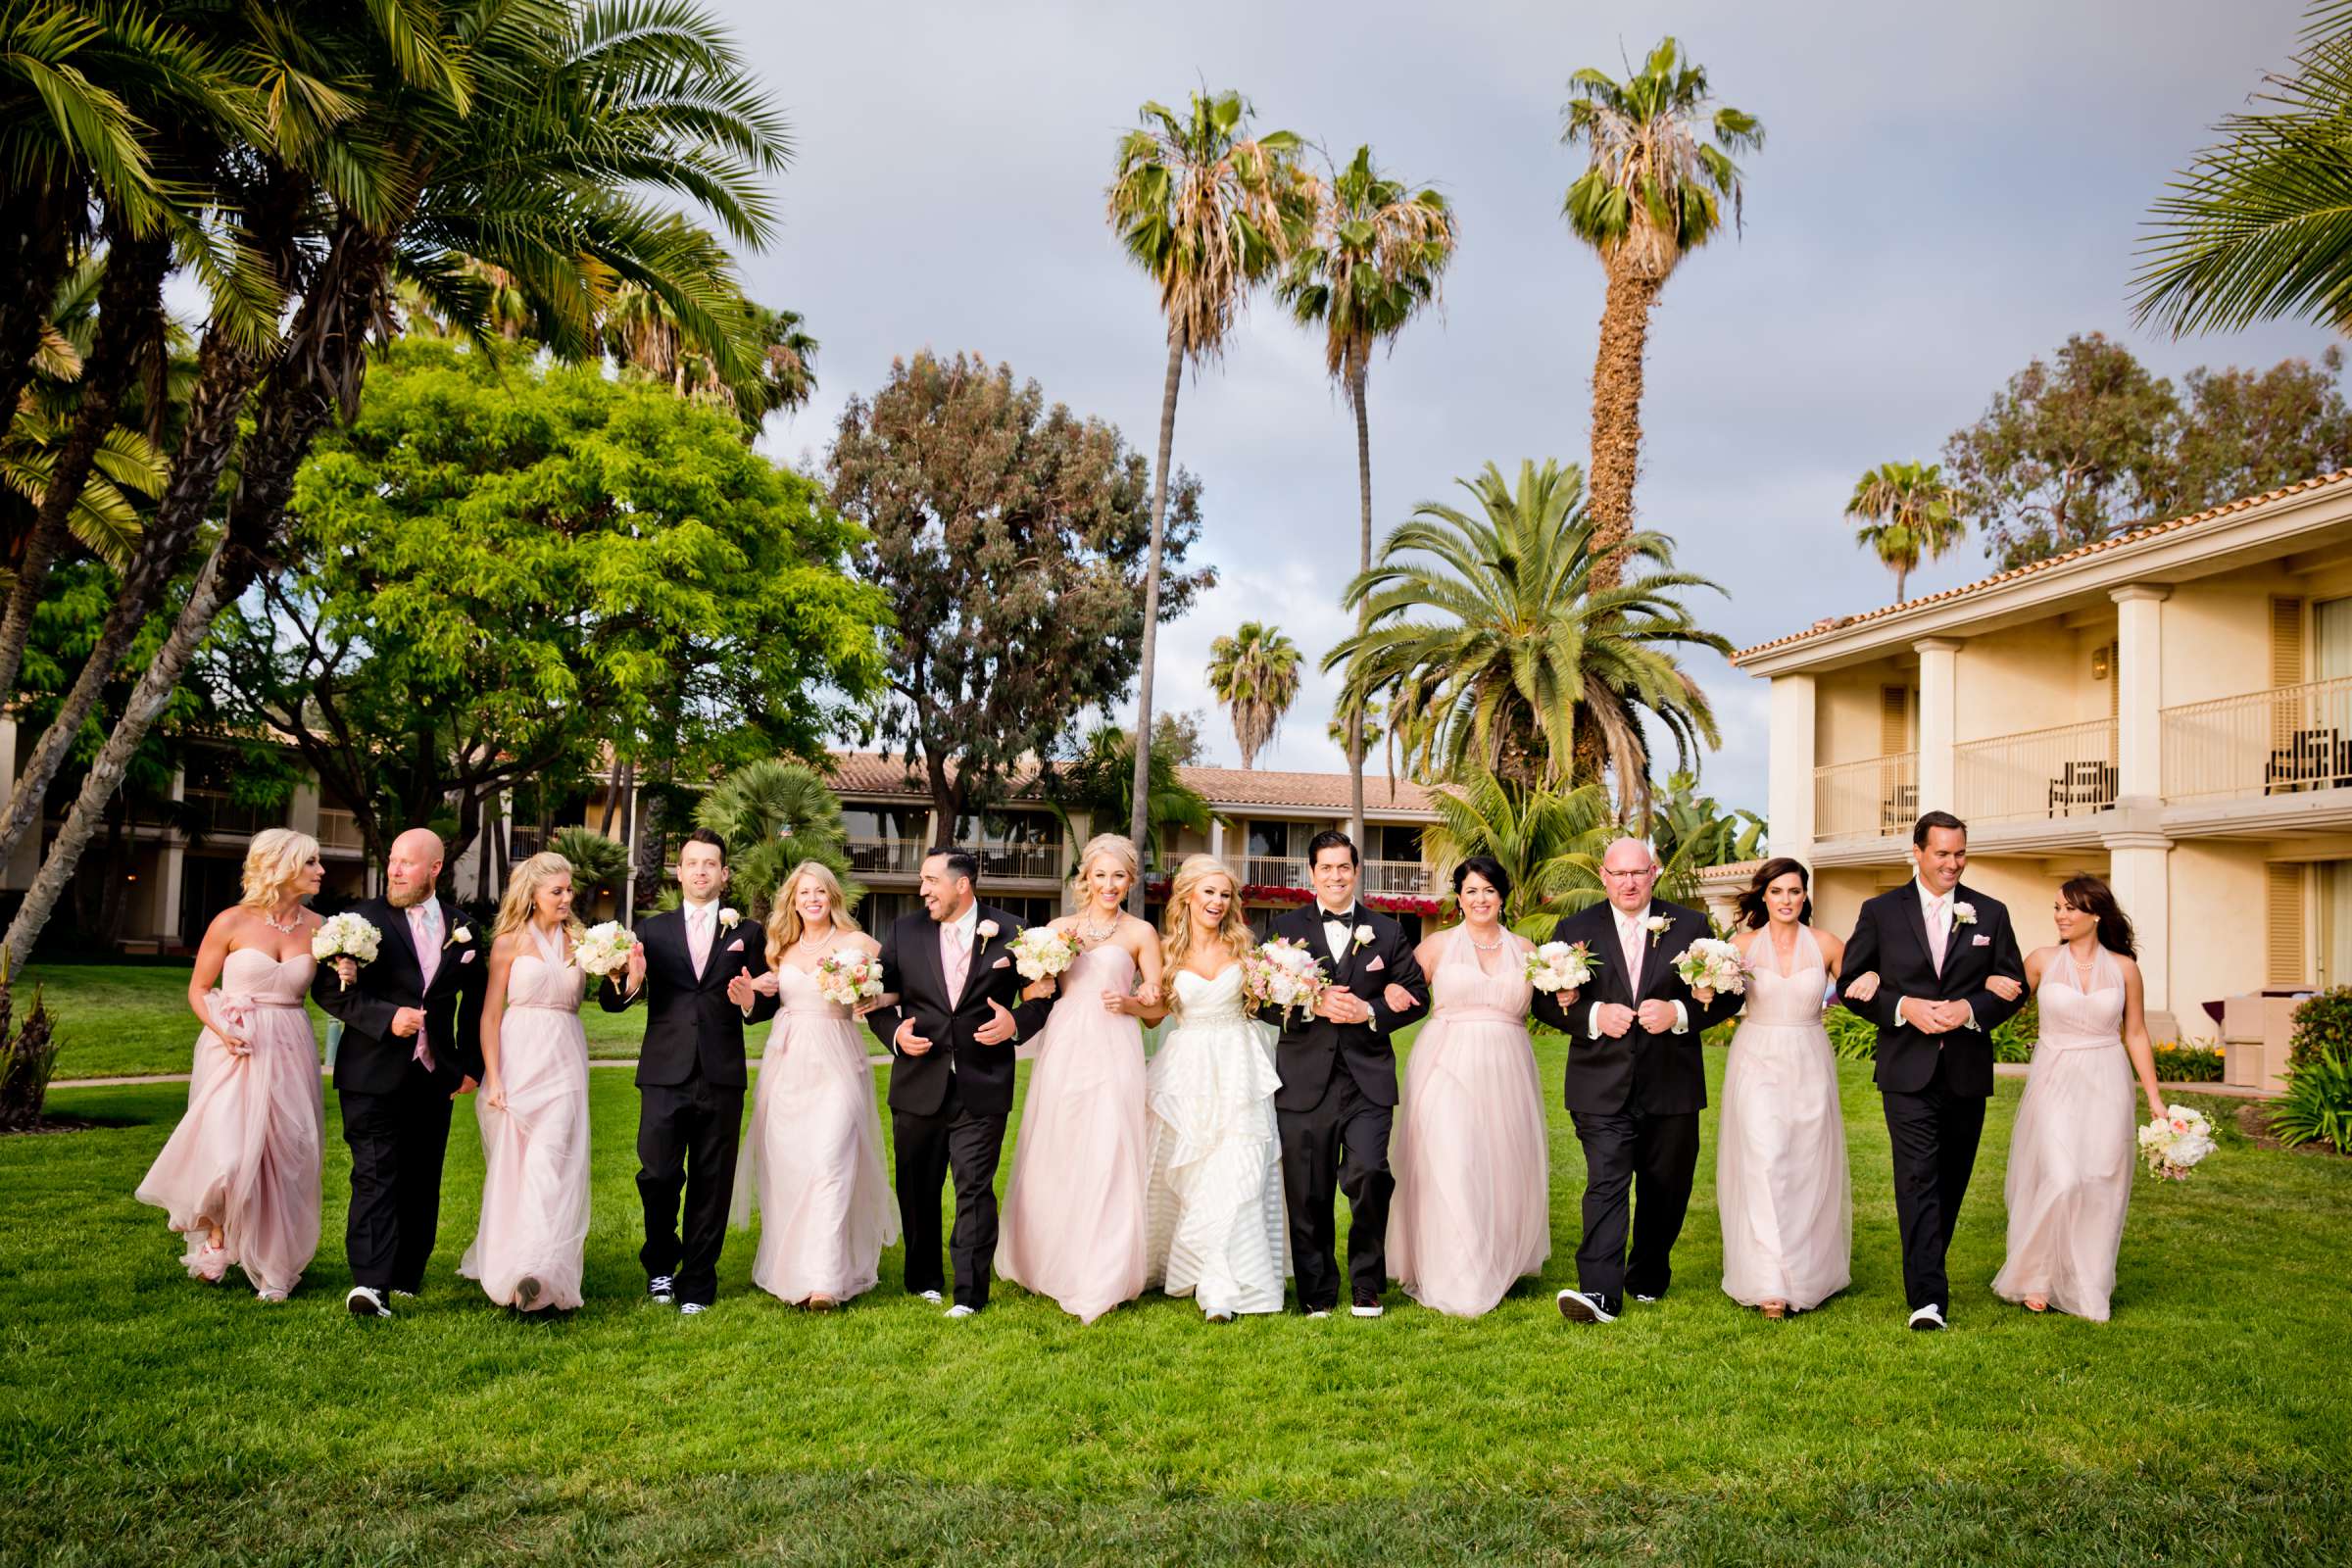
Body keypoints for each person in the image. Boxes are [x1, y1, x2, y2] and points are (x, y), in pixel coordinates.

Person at [1533, 836, 1743, 1326]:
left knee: (1665, 1185)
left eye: (1638, 872)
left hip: (1671, 1082)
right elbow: (1544, 998)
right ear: (1603, 877)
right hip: (1599, 1083)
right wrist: (1592, 1015)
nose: (1629, 882)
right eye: (1618, 873)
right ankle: (1600, 1294)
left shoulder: (1690, 926)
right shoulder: (1575, 929)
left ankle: (1647, 1274)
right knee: (1606, 1182)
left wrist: (1679, 1012)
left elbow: (1729, 993)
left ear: (1654, 873)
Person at [1838, 810, 2029, 1332]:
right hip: (1907, 1070)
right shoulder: (1879, 911)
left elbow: (2012, 984)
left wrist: (1970, 1010)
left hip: (1966, 1068)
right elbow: (1853, 982)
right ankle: (1928, 1297)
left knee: (1952, 1180)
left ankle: (1928, 1264)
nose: (1953, 863)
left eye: (1960, 853)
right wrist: (1903, 1008)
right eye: (1942, 853)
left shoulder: (1990, 913)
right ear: (1917, 852)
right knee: (1917, 1176)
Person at [136, 828, 327, 1302]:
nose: (321, 871)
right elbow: (199, 989)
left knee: (286, 1156)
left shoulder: (321, 927)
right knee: (229, 1154)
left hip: (290, 1045)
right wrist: (222, 1028)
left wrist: (346, 970)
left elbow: (341, 991)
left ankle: (276, 1267)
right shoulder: (231, 922)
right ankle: (217, 1237)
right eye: (311, 863)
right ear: (280, 866)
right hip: (235, 1046)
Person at [864, 848, 1052, 1317]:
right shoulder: (905, 932)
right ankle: (924, 1279)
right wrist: (894, 1035)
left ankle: (970, 1293)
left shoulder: (1013, 931)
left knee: (973, 1187)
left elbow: (1044, 997)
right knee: (917, 1187)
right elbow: (876, 998)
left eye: (931, 880)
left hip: (983, 1081)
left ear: (962, 884)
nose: (922, 889)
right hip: (917, 1081)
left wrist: (1017, 1024)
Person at [600, 828, 778, 1315]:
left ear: (724, 874)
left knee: (711, 1179)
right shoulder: (650, 930)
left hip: (721, 1074)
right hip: (663, 1071)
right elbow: (612, 1002)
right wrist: (630, 984)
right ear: (679, 872)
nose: (700, 871)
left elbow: (766, 1001)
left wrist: (749, 1004)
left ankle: (698, 1282)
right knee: (657, 1175)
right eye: (692, 863)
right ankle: (660, 1266)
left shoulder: (748, 933)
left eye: (710, 864)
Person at [312, 827, 489, 1319]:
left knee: (421, 1177)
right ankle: (370, 1284)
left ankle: (406, 1274)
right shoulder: (357, 922)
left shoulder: (466, 929)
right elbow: (329, 990)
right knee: (374, 1174)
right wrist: (385, 1018)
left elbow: (476, 1004)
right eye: (392, 860)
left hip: (435, 1077)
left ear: (435, 868)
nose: (394, 869)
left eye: (407, 862)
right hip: (371, 1072)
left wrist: (470, 1066)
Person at [1256, 829, 1430, 1319]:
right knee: (1306, 1190)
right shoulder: (1283, 929)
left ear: (1356, 871)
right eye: (1325, 867)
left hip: (1366, 1080)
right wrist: (1311, 1004)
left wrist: (1371, 1012)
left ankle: (1367, 1283)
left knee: (1370, 1175)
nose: (1335, 876)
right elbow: (1260, 1001)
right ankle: (1316, 1291)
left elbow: (1417, 996)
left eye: (1344, 867)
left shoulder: (1389, 931)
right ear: (1312, 873)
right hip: (1303, 1080)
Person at [995, 834, 1163, 1323]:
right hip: (1066, 1043)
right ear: (1084, 878)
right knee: (1061, 1145)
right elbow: (1038, 993)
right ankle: (1049, 1259)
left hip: (1115, 1044)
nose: (1109, 884)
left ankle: (1103, 1270)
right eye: (1100, 875)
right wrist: (1037, 983)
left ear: (1130, 881)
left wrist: (1136, 998)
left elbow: (1155, 1006)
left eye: (1119, 876)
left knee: (1109, 1147)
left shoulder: (1140, 933)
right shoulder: (1058, 928)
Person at [1989, 874, 2169, 1321]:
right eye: (2056, 908)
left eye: (2070, 908)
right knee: (2063, 1177)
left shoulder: (2125, 968)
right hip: (2054, 1077)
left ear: (2095, 914)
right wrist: (1989, 989)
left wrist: (2155, 1099)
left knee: (2099, 1181)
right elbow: (1998, 1004)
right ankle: (2037, 1275)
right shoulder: (2041, 960)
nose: (2061, 916)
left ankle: (2086, 1283)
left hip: (2107, 1078)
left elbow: (2136, 1032)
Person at [1385, 856, 1550, 1318]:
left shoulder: (1525, 947)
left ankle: (1497, 1257)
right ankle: (1456, 1271)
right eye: (1471, 890)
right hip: (1446, 1062)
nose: (1480, 899)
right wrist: (1392, 994)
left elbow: (1553, 1003)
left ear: (1502, 897)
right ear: (1459, 897)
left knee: (1499, 1161)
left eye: (1489, 890)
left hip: (1508, 1066)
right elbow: (1402, 992)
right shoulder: (1436, 946)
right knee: (1453, 1159)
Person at [730, 860, 898, 1310]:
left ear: (832, 896)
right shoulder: (779, 948)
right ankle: (793, 1269)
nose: (812, 899)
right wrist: (750, 999)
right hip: (787, 1067)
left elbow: (895, 984)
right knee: (790, 1166)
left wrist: (871, 996)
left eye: (819, 891)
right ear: (793, 900)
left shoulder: (857, 943)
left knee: (831, 1163)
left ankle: (824, 1280)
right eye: (803, 893)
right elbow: (764, 1000)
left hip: (837, 1060)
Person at [1132, 855, 1286, 1322]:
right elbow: (1155, 1014)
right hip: (1188, 1072)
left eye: (1225, 895)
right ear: (1188, 898)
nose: (1217, 902)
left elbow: (1263, 1005)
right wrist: (1130, 1003)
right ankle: (1208, 1278)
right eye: (1209, 893)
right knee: (1197, 1173)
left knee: (1239, 1168)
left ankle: (1228, 1285)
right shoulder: (1166, 951)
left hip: (1238, 1066)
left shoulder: (1246, 949)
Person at [1716, 858, 1851, 1319]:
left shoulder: (1829, 945)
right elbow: (1717, 997)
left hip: (1810, 1055)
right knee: (1765, 1158)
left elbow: (1859, 987)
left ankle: (1806, 1271)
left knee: (1805, 1162)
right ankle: (1768, 1278)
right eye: (1777, 892)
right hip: (1757, 1056)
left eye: (1794, 891)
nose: (1786, 900)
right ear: (1764, 897)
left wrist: (1872, 978)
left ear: (1804, 895)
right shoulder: (1741, 946)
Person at [459, 851, 592, 1313]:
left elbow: (613, 987)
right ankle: (516, 1265)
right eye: (556, 890)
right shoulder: (509, 942)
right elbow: (491, 1013)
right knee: (515, 1168)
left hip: (564, 1057)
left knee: (550, 1165)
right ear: (532, 895)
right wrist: (493, 1077)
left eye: (569, 889)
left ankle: (538, 1270)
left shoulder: (582, 940)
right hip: (518, 1059)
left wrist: (626, 971)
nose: (566, 897)